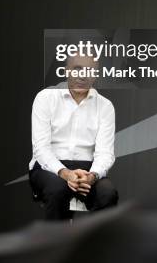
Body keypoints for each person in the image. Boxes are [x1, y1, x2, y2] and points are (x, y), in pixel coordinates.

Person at [29, 53, 118, 219]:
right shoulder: (45, 98)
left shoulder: (105, 106)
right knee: (57, 189)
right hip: (49, 167)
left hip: (88, 169)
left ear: (95, 76)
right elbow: (41, 149)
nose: (82, 75)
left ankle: (95, 244)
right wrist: (65, 173)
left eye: (89, 71)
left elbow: (105, 153)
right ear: (66, 71)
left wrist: (92, 176)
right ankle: (57, 244)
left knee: (108, 193)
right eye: (77, 69)